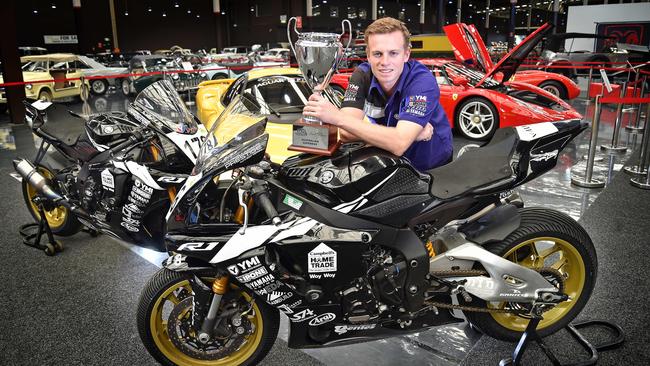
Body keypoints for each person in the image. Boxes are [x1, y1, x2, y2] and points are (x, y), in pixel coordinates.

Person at [303, 17, 453, 171]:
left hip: (432, 166)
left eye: (393, 53)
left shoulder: (422, 81)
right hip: (391, 163)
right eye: (377, 54)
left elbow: (398, 144)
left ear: (406, 54)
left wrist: (338, 118)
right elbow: (347, 133)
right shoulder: (362, 75)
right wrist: (407, 136)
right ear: (368, 55)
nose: (385, 62)